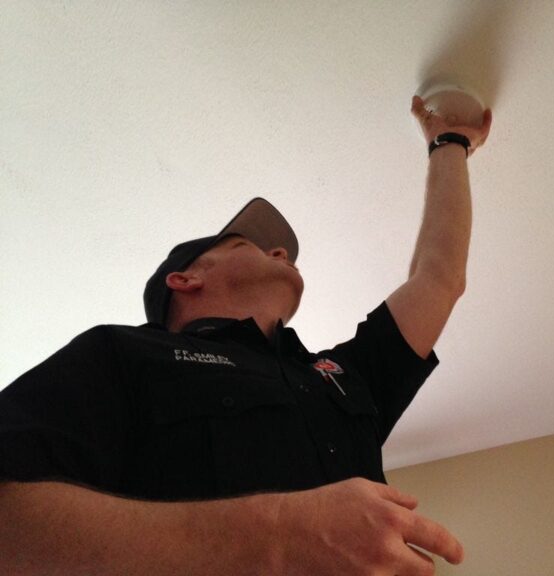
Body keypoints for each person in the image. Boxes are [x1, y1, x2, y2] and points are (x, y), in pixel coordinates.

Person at [0, 95, 492, 575]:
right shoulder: (122, 354)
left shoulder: (340, 376)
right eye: (246, 244)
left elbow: (439, 277)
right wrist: (276, 537)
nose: (280, 251)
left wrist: (448, 141)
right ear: (186, 278)